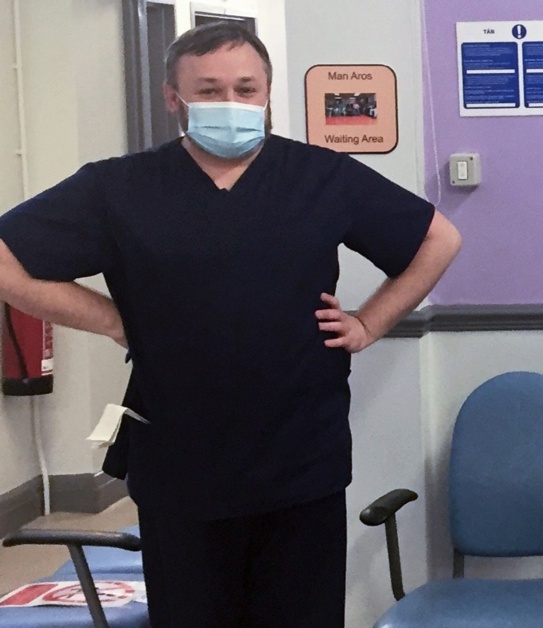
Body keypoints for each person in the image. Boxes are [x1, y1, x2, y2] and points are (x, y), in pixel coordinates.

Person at [0, 22, 461, 627]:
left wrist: (370, 323)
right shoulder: (117, 188)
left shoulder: (321, 178)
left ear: (268, 93)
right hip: (181, 464)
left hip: (301, 459)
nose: (231, 103)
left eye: (246, 88)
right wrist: (112, 318)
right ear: (173, 98)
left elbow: (438, 238)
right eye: (209, 89)